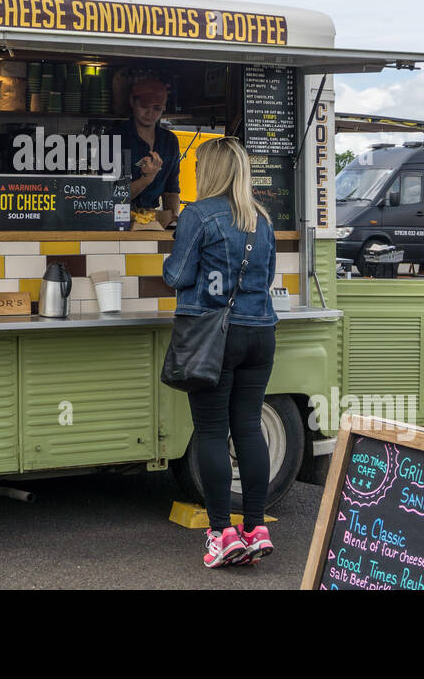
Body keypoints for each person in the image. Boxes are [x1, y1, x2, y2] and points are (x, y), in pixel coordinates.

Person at [161, 137, 277, 568]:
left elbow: (177, 275)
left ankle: (221, 533)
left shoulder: (198, 214)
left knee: (210, 432)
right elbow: (264, 282)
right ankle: (255, 528)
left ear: (208, 170)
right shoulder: (260, 219)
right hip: (260, 333)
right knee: (248, 427)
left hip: (214, 336)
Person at [115, 75, 181, 227]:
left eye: (157, 108)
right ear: (132, 101)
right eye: (144, 106)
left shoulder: (170, 141)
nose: (150, 113)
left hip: (153, 219)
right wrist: (146, 179)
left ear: (164, 107)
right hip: (117, 219)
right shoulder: (115, 137)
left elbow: (171, 189)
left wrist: (173, 219)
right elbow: (110, 196)